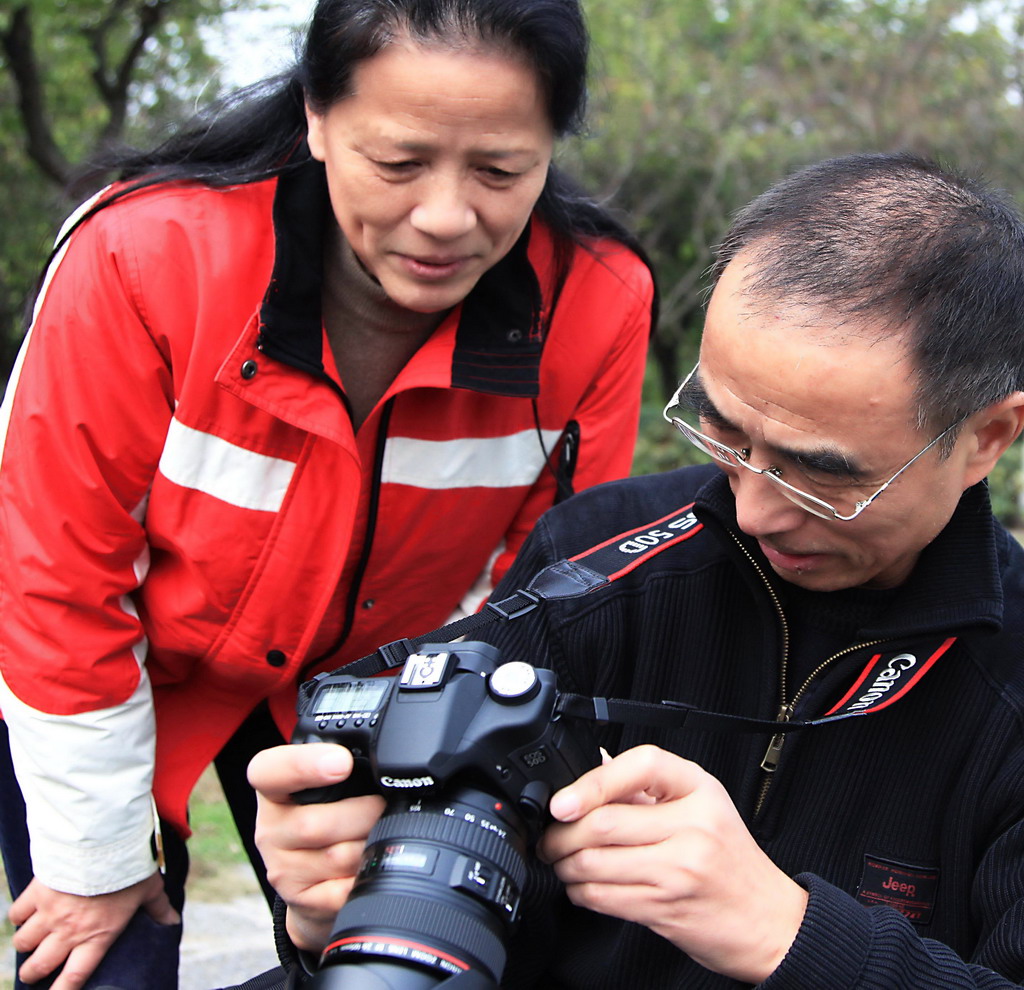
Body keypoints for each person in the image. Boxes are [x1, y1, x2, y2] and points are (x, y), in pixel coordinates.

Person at [248, 151, 1024, 989]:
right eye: (727, 435)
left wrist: (791, 935)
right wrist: (339, 906)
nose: (755, 513)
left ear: (986, 438)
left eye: (824, 474)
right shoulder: (596, 561)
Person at [0, 0, 656, 985]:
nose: (444, 217)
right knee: (103, 958)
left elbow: (548, 593)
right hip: (108, 678)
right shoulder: (141, 257)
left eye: (499, 170)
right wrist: (93, 864)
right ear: (315, 115)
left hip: (380, 688)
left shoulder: (597, 302)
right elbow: (52, 577)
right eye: (397, 164)